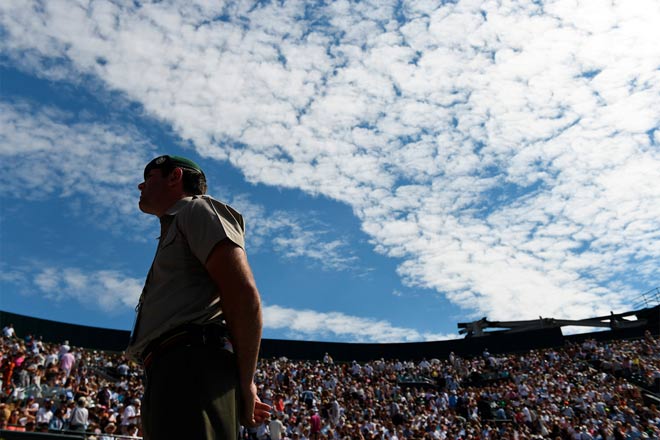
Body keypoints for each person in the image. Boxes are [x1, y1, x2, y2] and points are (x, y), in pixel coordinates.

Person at [126, 154, 271, 439]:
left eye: (149, 178)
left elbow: (242, 295)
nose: (140, 186)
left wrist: (246, 383)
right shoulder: (178, 224)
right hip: (168, 371)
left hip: (192, 367)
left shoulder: (197, 210)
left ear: (174, 177)